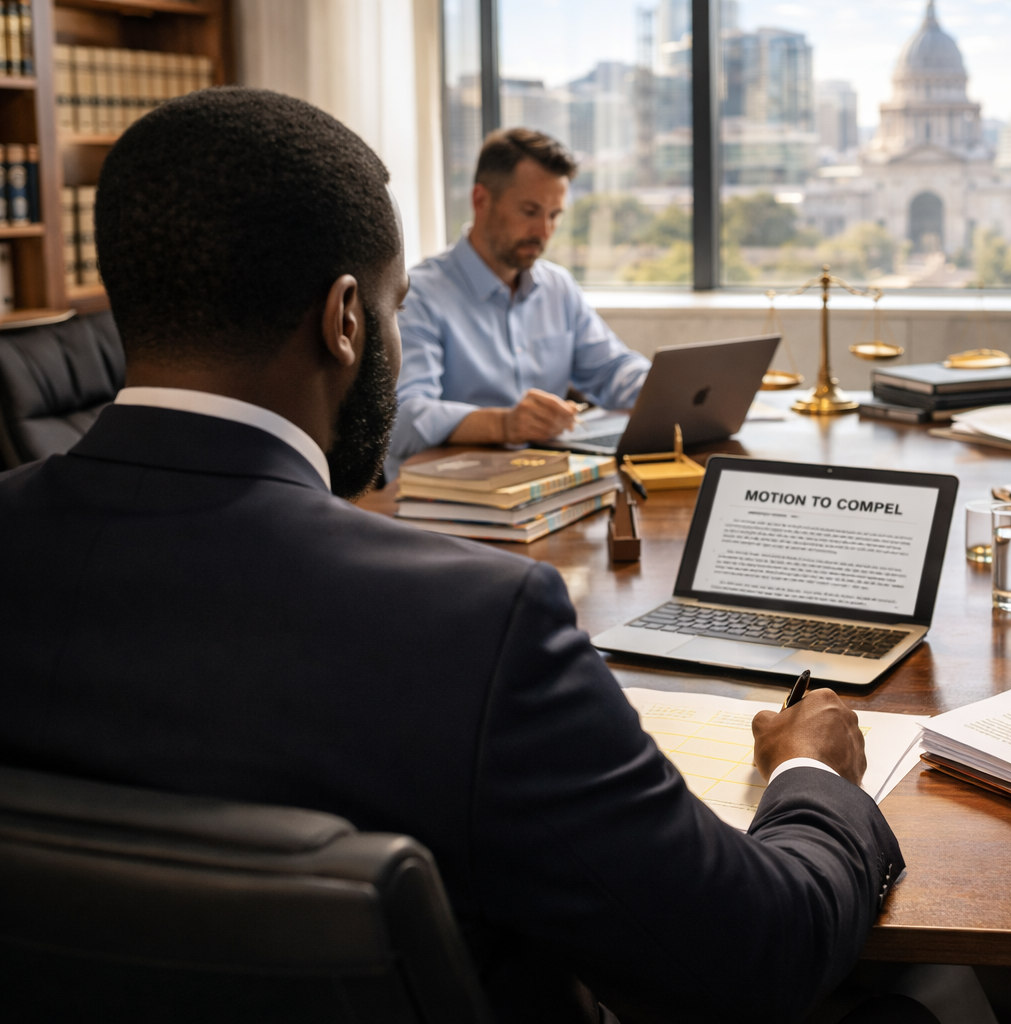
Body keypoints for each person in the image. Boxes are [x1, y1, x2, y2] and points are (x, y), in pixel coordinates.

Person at [0, 89, 905, 1024]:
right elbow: (757, 955)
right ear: (346, 320)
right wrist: (810, 772)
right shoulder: (481, 627)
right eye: (392, 311)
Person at [388, 127, 650, 478]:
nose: (543, 231)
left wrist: (668, 390)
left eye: (555, 215)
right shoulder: (418, 294)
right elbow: (404, 418)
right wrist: (505, 425)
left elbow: (612, 370)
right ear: (481, 200)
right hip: (451, 494)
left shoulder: (558, 287)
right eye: (530, 211)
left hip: (544, 483)